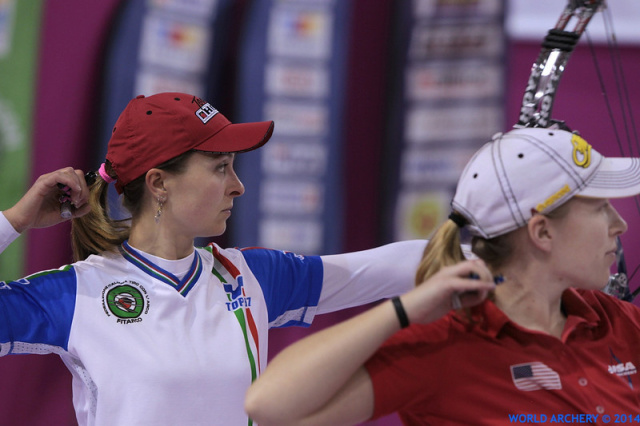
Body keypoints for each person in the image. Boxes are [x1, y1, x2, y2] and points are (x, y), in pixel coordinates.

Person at [0, 92, 427, 426]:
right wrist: (15, 220)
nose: (238, 186)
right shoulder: (77, 293)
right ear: (158, 183)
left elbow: (385, 267)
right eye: (221, 167)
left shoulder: (251, 276)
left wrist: (483, 244)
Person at [245, 126, 640, 425]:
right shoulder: (443, 345)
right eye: (600, 208)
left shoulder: (616, 322)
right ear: (542, 232)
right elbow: (269, 406)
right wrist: (401, 310)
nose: (619, 224)